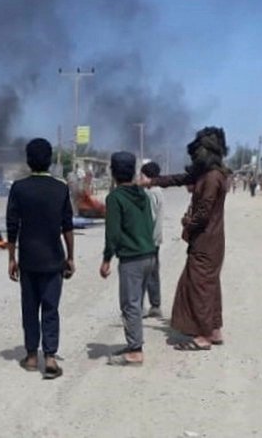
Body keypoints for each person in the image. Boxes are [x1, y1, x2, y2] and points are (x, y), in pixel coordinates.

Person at [142, 126, 229, 351]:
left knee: (197, 286)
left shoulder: (212, 177)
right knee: (209, 285)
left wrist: (187, 223)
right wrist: (153, 181)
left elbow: (204, 211)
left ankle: (203, 335)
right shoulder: (208, 174)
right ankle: (214, 329)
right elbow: (179, 179)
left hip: (206, 241)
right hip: (210, 241)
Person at [6, 138, 75, 380]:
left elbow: (12, 225)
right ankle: (51, 357)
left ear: (28, 160)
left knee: (29, 308)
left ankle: (32, 357)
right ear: (49, 160)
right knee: (50, 308)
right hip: (54, 259)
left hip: (28, 259)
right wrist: (71, 257)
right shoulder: (60, 188)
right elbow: (68, 226)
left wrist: (11, 258)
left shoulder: (19, 188)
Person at [100, 152, 156, 366]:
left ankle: (135, 351)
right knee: (137, 303)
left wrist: (106, 259)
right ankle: (135, 342)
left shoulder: (115, 198)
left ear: (113, 172)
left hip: (132, 259)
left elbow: (112, 233)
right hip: (149, 255)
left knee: (130, 305)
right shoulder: (143, 194)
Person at [141, 161, 164, 319]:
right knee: (153, 272)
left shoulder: (149, 194)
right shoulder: (159, 191)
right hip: (156, 239)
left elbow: (150, 217)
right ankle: (155, 305)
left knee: (142, 274)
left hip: (147, 240)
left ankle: (139, 307)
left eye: (141, 175)